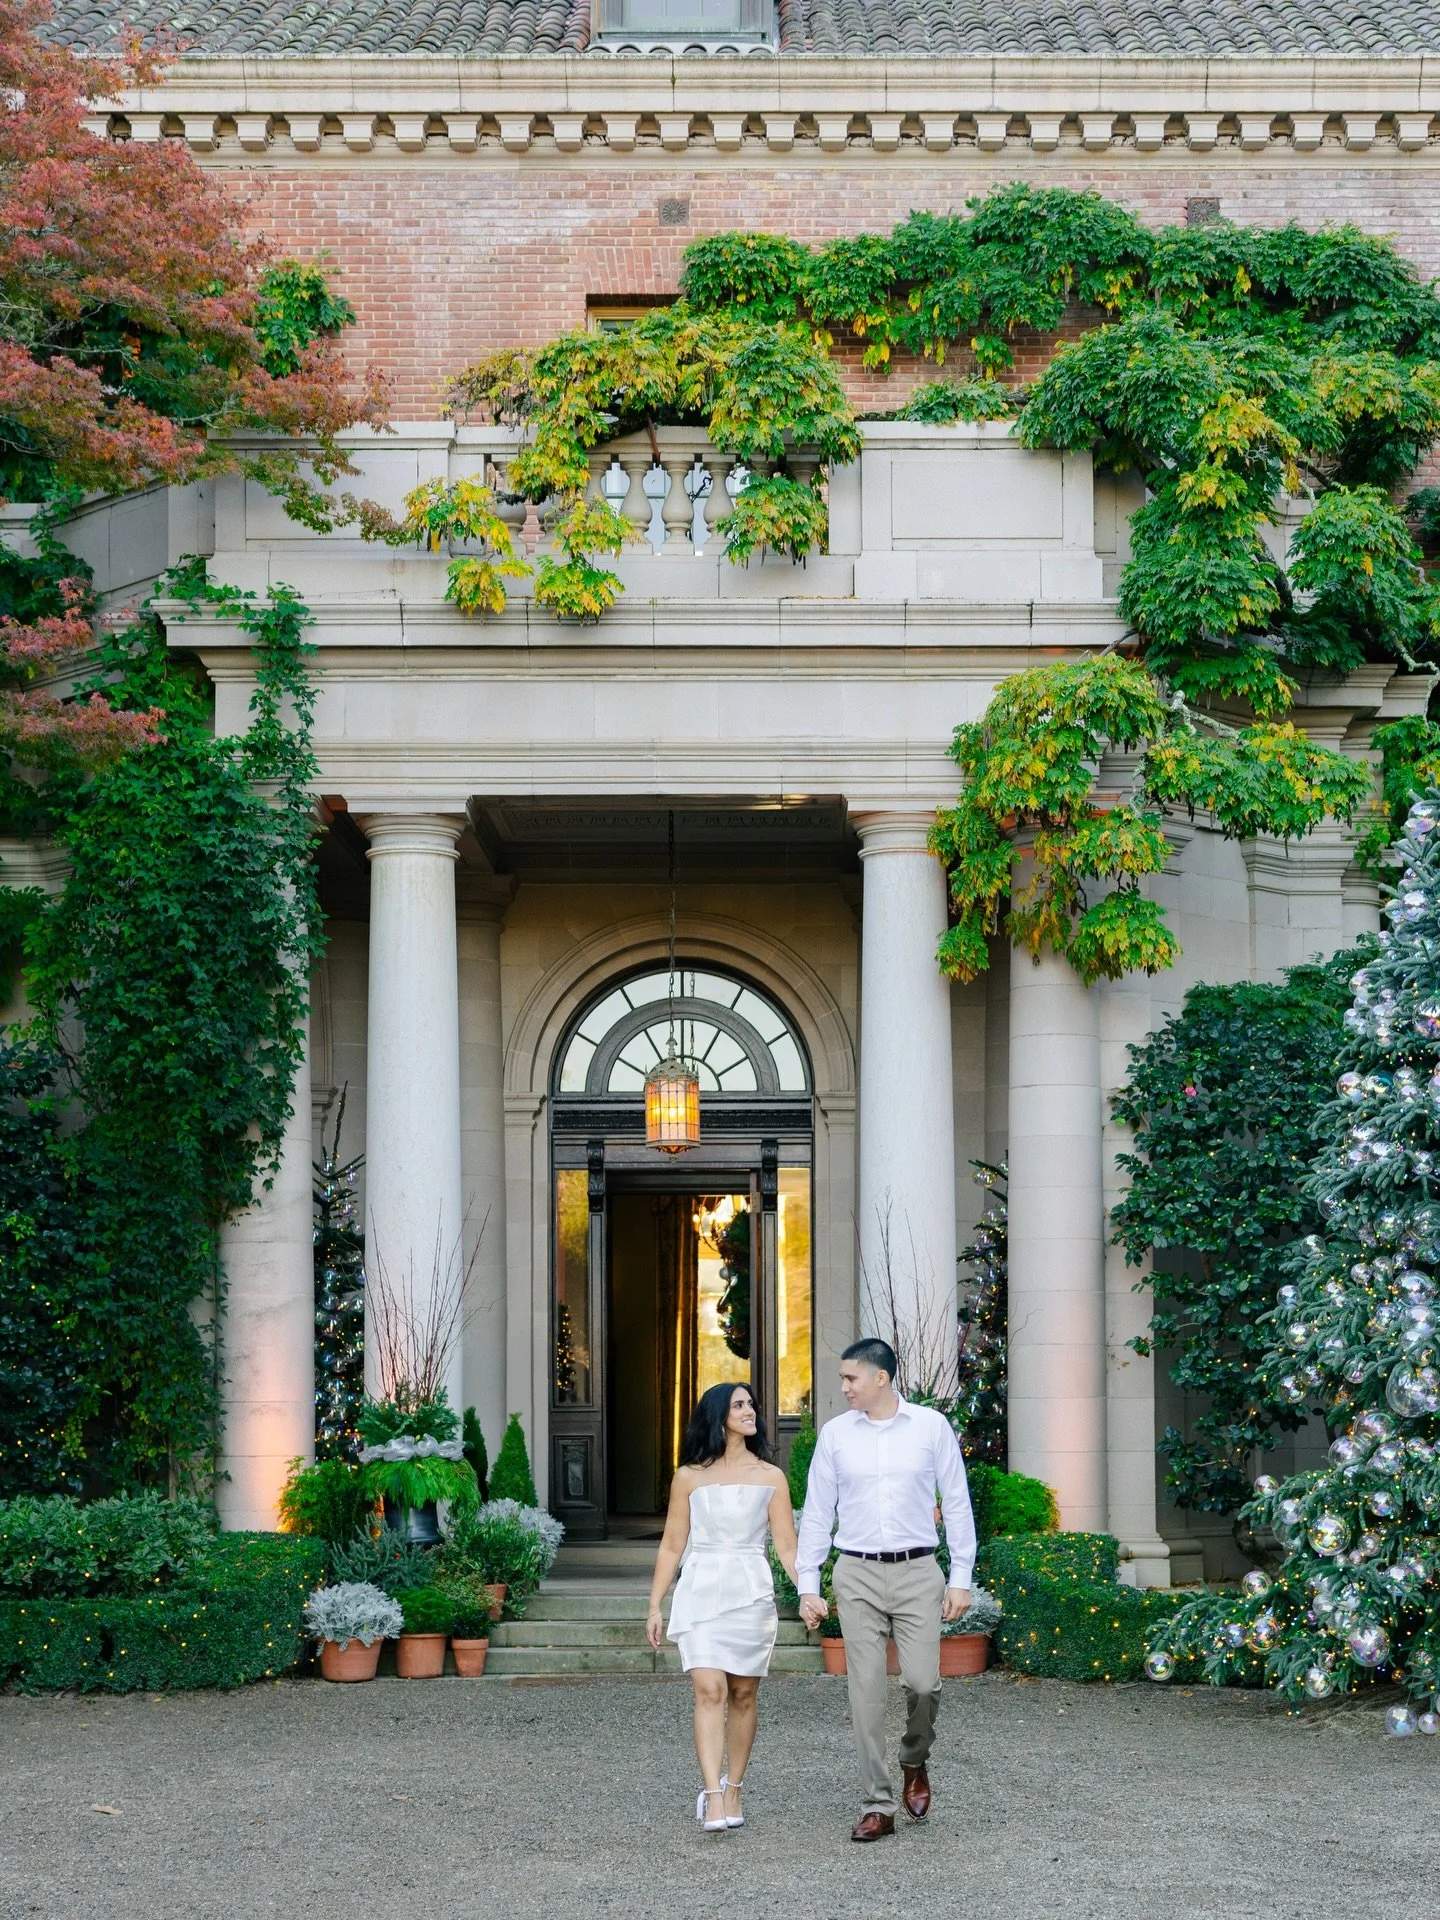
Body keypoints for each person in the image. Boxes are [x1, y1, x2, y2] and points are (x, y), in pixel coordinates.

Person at [796, 1337, 976, 1843]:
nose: (844, 1387)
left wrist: (960, 1576)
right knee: (866, 1694)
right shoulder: (835, 1435)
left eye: (851, 1378)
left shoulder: (930, 1427)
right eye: (843, 1379)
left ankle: (914, 1760)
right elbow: (816, 1513)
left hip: (918, 1571)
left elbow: (957, 1502)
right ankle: (878, 1804)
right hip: (856, 1573)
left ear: (881, 1378)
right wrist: (809, 1582)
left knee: (923, 1683)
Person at [646, 1381, 799, 1834]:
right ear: (718, 1415)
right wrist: (655, 1605)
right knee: (709, 1690)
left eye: (751, 1403)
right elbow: (673, 1545)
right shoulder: (688, 1477)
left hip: (750, 1593)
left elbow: (788, 1549)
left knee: (744, 1694)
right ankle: (712, 1795)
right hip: (701, 1590)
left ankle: (735, 1787)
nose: (750, 1410)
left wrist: (810, 1592)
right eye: (738, 1405)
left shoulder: (771, 1477)